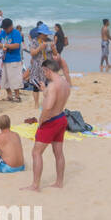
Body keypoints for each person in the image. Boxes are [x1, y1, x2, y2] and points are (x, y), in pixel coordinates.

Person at [23, 57, 70, 192]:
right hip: (61, 118)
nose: (44, 74)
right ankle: (59, 182)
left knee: (36, 152)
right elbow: (55, 99)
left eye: (44, 72)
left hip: (50, 121)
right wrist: (45, 90)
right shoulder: (65, 83)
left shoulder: (53, 85)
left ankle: (35, 185)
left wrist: (41, 121)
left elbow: (48, 107)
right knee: (58, 153)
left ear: (47, 70)